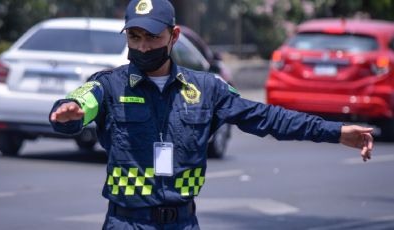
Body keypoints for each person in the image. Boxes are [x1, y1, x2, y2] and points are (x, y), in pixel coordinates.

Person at [49, 0, 373, 229]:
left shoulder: (206, 88)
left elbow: (268, 118)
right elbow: (81, 103)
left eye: (152, 37)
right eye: (135, 37)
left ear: (174, 36)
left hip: (183, 222)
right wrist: (69, 114)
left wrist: (335, 131)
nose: (143, 47)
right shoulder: (109, 84)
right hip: (126, 223)